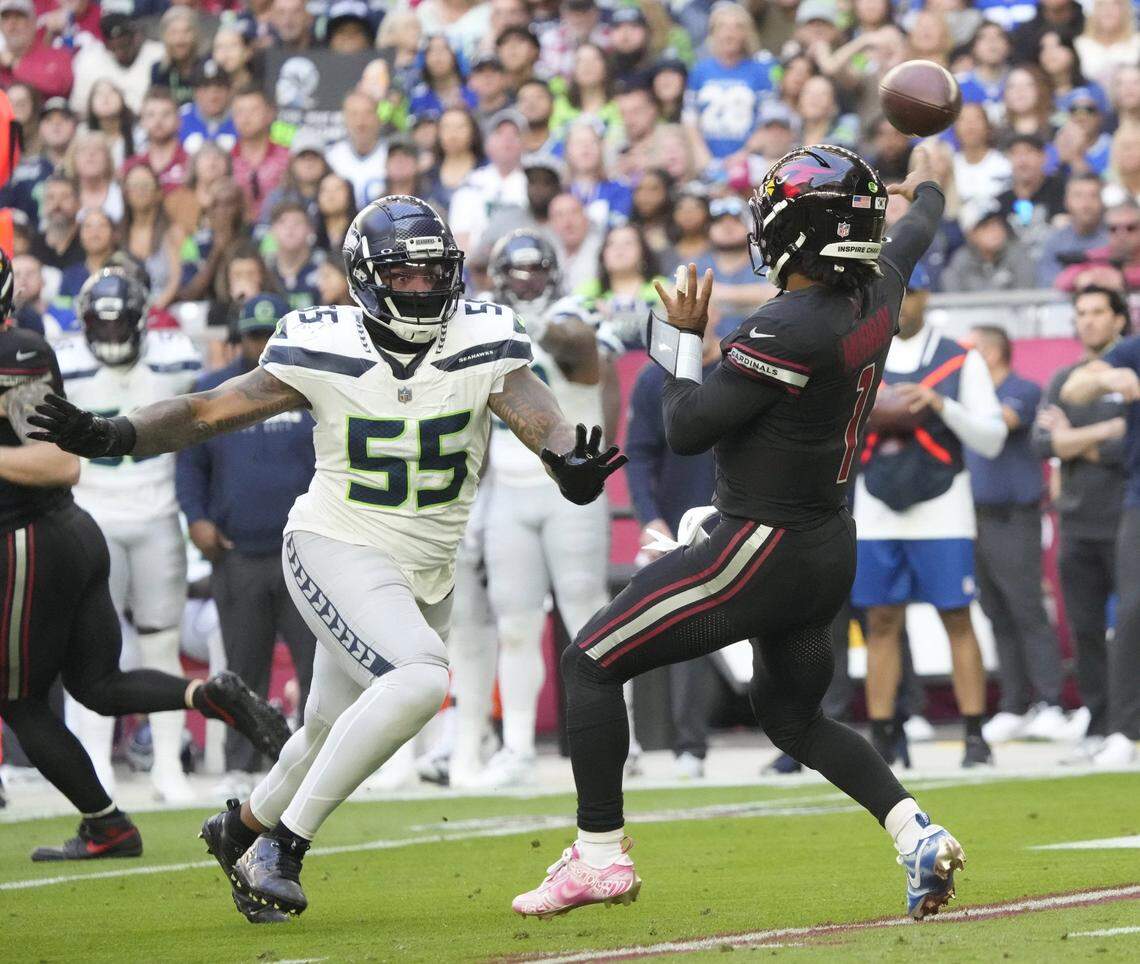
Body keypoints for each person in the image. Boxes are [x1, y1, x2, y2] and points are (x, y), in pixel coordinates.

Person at [28, 194, 625, 919]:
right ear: (367, 278)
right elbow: (206, 409)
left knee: (321, 731)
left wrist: (568, 460)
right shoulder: (322, 343)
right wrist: (114, 433)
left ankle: (238, 827)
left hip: (426, 567)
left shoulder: (487, 334)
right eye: (404, 276)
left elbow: (539, 412)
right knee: (419, 679)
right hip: (336, 542)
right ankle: (282, 845)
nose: (424, 288)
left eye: (434, 272)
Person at [512, 145, 968, 922]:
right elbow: (922, 222)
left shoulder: (788, 326)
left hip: (756, 549)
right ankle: (915, 832)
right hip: (825, 545)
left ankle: (598, 859)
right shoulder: (881, 286)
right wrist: (925, 185)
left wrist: (679, 339)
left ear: (803, 233)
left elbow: (686, 427)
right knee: (790, 716)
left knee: (588, 663)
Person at [0, 254, 289, 859]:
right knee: (99, 684)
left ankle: (106, 825)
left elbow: (58, 463)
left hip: (31, 533)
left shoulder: (19, 351)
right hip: (74, 531)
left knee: (19, 699)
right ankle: (209, 697)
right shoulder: (26, 346)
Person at [53, 267, 205, 803]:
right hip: (91, 516)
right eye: (103, 326)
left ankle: (168, 765)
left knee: (162, 643)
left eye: (121, 328)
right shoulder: (64, 361)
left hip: (158, 514)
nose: (113, 338)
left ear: (143, 322)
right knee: (88, 652)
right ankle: (94, 770)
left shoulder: (176, 357)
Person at [473, 231, 613, 788]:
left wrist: (516, 324)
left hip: (568, 484)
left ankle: (614, 739)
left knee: (589, 614)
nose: (527, 280)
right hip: (507, 484)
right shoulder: (484, 320)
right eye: (517, 270)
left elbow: (579, 351)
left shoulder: (569, 310)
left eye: (536, 269)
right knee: (515, 624)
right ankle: (518, 747)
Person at [854, 257, 1006, 769]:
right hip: (877, 503)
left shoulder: (960, 360)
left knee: (956, 616)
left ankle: (974, 734)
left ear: (927, 297)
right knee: (880, 619)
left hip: (943, 505)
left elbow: (992, 438)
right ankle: (882, 737)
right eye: (892, 292)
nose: (901, 302)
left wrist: (940, 405)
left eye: (911, 292)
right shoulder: (859, 358)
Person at [177, 293, 317, 783]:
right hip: (237, 551)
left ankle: (316, 763)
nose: (262, 345)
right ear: (240, 338)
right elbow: (189, 463)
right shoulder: (216, 389)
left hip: (305, 551)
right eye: (254, 335)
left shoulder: (312, 387)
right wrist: (195, 517)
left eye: (271, 334)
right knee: (243, 668)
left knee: (317, 666)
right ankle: (241, 763)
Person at [1033, 286, 1129, 765]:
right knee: (1086, 629)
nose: (1088, 321)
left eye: (1098, 312)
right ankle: (1098, 719)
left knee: (1131, 625)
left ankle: (1127, 725)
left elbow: (1124, 449)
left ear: (1119, 319)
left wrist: (1072, 437)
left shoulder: (1128, 376)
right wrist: (1098, 434)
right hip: (1076, 521)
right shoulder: (1063, 377)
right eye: (1081, 313)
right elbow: (1042, 444)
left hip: (1125, 519)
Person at [625, 322, 720, 779]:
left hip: (741, 514)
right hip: (680, 524)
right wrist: (648, 517)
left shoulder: (740, 368)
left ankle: (791, 740)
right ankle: (689, 745)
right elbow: (638, 453)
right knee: (689, 633)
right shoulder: (652, 379)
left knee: (772, 631)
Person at [964, 326, 1067, 743]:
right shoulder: (972, 397)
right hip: (975, 516)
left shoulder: (1021, 389)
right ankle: (1014, 703)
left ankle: (1052, 702)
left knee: (1026, 609)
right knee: (995, 612)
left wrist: (948, 407)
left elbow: (1002, 423)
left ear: (990, 353)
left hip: (1013, 516)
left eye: (970, 349)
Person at [1060, 295, 1140, 767]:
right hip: (1138, 498)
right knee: (1131, 611)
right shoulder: (1131, 351)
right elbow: (1075, 389)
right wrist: (1113, 378)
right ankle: (1126, 731)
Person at [70, 14, 164, 115]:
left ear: (136, 38)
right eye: (113, 48)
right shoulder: (88, 58)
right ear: (105, 44)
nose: (119, 52)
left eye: (124, 45)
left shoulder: (158, 53)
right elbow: (78, 108)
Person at [1037, 174, 1107, 288]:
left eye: (1093, 196)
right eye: (1078, 196)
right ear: (1066, 201)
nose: (1086, 204)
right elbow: (1046, 286)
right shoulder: (1054, 241)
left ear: (1103, 201)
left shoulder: (1118, 235)